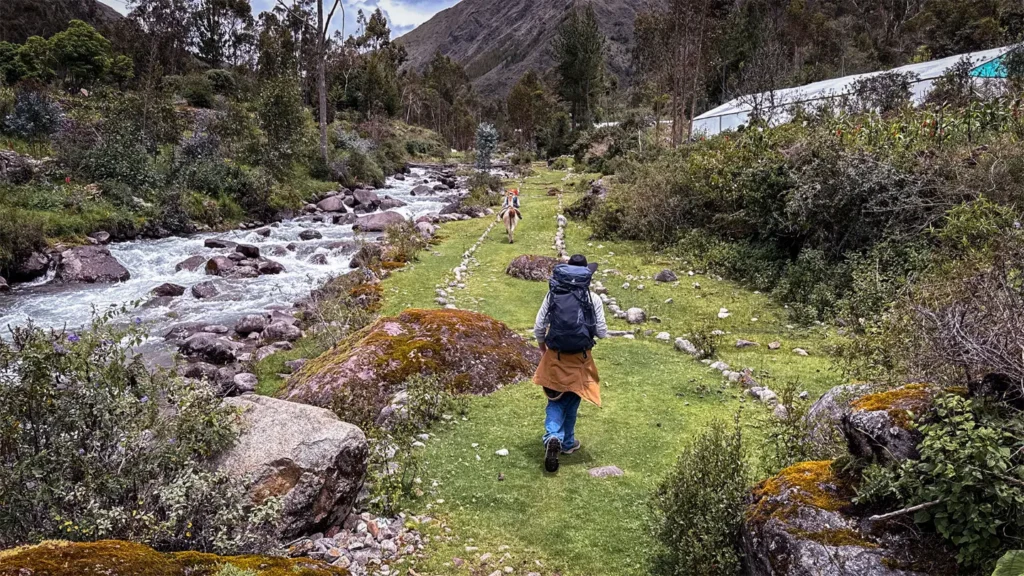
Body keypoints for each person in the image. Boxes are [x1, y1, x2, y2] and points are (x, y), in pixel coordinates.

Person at [531, 254, 607, 473]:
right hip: (581, 358)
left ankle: (553, 436)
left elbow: (538, 326)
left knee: (555, 399)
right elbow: (602, 332)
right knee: (573, 398)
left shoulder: (553, 294)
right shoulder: (594, 299)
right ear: (586, 275)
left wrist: (542, 347)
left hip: (556, 355)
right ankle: (566, 442)